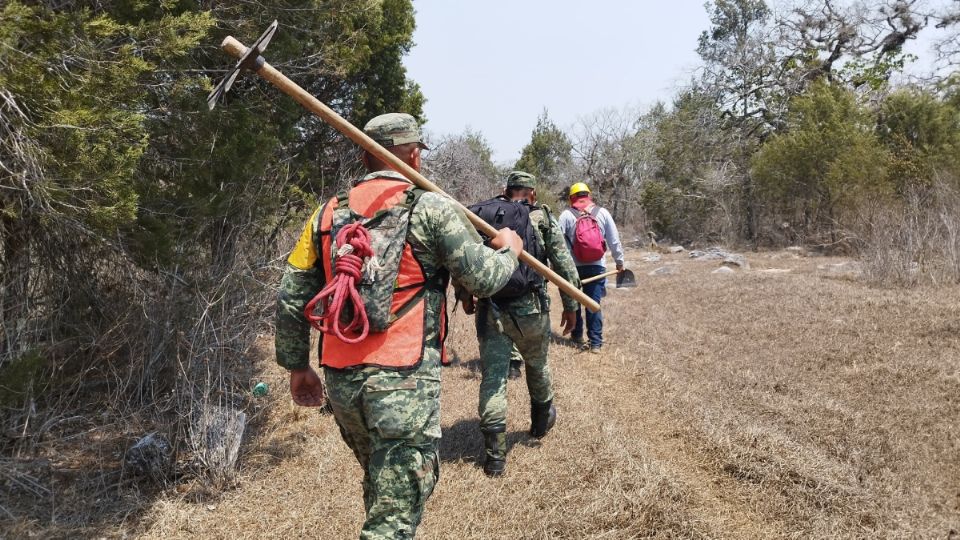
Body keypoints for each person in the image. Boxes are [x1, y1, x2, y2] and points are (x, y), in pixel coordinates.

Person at [274, 113, 522, 539]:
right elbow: (484, 278)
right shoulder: (432, 209)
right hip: (402, 379)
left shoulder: (327, 214)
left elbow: (291, 293)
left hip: (342, 379)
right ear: (412, 155)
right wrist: (510, 249)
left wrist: (297, 365)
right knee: (396, 512)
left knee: (382, 484)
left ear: (364, 154)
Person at [460, 170, 581, 477]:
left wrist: (465, 294)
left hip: (493, 309)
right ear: (532, 194)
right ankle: (540, 423)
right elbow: (564, 263)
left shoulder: (485, 217)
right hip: (532, 309)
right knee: (538, 365)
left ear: (506, 191)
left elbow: (463, 257)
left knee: (494, 378)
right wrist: (571, 306)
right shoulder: (541, 219)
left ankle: (495, 457)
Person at [558, 182, 625, 354]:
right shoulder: (602, 213)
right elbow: (614, 239)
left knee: (574, 302)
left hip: (573, 268)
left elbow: (557, 242)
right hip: (597, 267)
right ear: (589, 195)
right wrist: (619, 261)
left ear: (571, 197)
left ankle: (577, 335)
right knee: (593, 304)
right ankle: (595, 343)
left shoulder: (566, 215)